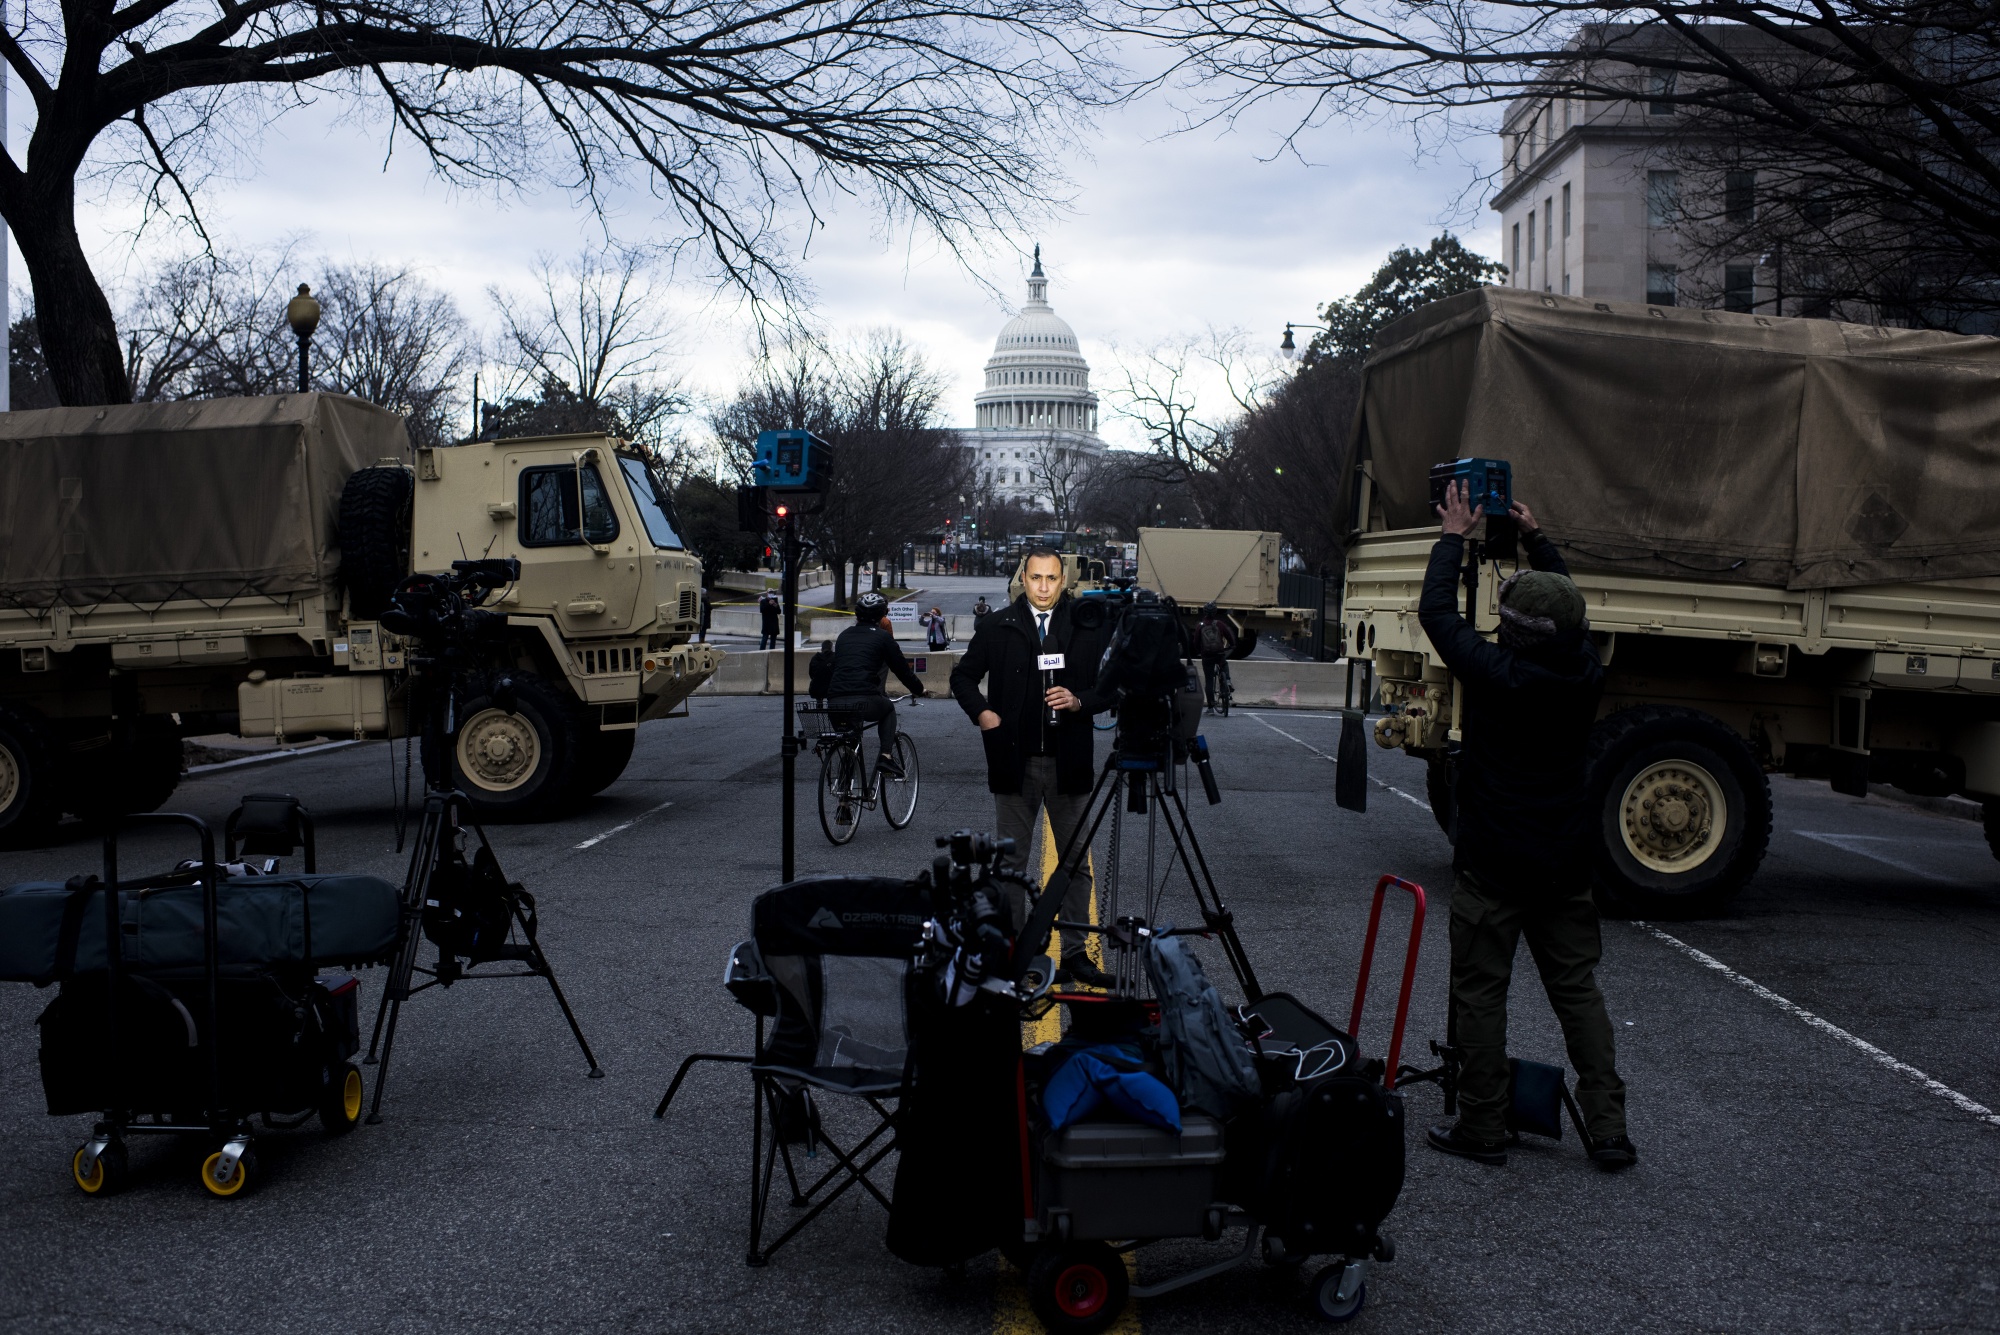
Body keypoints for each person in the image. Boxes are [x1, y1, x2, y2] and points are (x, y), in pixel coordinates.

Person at [1418, 481, 1636, 1172]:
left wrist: (1454, 533)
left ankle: (1483, 1124)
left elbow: (1435, 612)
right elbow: (1566, 611)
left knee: (1481, 993)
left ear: (1511, 629)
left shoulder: (1496, 673)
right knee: (1578, 991)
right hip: (1563, 860)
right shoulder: (1584, 671)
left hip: (1493, 861)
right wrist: (1539, 539)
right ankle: (1608, 1128)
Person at [950, 548, 1113, 987]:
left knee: (1076, 863)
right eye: (1036, 577)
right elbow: (962, 678)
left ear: (1064, 581)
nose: (1043, 587)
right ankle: (1015, 952)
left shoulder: (1085, 625)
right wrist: (984, 715)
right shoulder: (997, 624)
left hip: (1069, 763)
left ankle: (1077, 953)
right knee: (1011, 864)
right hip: (1013, 763)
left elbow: (1111, 687)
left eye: (1052, 578)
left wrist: (1080, 702)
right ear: (1023, 577)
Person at [827, 591, 926, 777]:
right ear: (882, 615)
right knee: (888, 709)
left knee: (850, 739)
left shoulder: (843, 636)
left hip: (835, 701)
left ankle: (844, 793)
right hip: (865, 699)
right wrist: (919, 689)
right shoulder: (883, 637)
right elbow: (901, 669)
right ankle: (886, 756)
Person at [1195, 602, 1238, 711]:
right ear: (1215, 612)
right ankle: (1227, 681)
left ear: (1204, 612)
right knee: (1224, 664)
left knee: (1209, 680)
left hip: (1206, 656)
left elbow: (1195, 642)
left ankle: (1210, 707)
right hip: (1219, 653)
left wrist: (1199, 651)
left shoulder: (1200, 626)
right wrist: (1232, 645)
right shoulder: (1219, 624)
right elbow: (1229, 636)